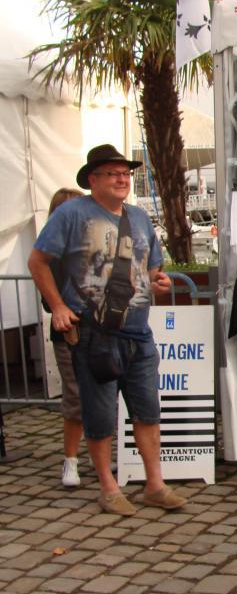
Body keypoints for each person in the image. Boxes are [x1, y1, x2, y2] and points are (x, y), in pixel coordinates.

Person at [27, 144, 187, 517]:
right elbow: (38, 262)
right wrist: (60, 306)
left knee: (148, 410)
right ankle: (109, 488)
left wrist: (157, 284)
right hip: (94, 334)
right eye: (112, 173)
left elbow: (150, 272)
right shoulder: (71, 213)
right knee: (98, 414)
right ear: (93, 179)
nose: (122, 178)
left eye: (126, 173)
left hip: (138, 333)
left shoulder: (140, 218)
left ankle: (155, 485)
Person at [43, 188, 86, 486]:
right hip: (69, 334)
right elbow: (49, 302)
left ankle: (109, 456)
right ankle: (70, 461)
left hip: (104, 333)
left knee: (107, 399)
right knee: (76, 398)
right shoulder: (49, 252)